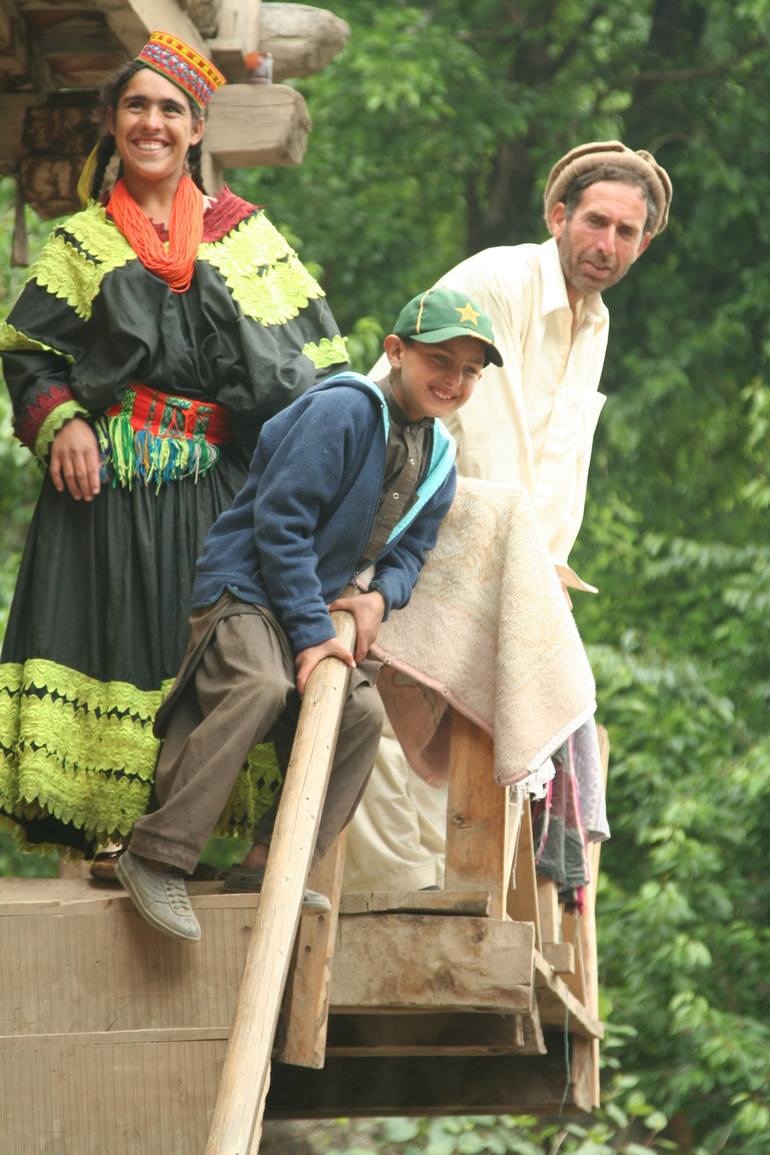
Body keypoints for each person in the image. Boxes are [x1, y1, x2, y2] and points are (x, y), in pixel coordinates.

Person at [0, 31, 347, 864]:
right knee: (116, 641)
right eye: (135, 106)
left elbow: (322, 368)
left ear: (198, 130)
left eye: (170, 110)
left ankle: (193, 842)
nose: (151, 123)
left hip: (221, 492)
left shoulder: (251, 240)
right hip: (105, 490)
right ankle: (110, 842)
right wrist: (63, 422)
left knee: (212, 653)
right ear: (111, 122)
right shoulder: (81, 243)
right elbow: (25, 356)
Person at [114, 287, 504, 941]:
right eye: (440, 359)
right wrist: (313, 631)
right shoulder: (347, 409)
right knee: (259, 683)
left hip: (312, 609)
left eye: (470, 370)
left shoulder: (438, 460)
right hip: (248, 589)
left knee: (360, 714)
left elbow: (410, 553)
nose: (454, 379)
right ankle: (155, 854)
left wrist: (381, 597)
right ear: (396, 350)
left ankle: (273, 862)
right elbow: (281, 522)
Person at [343, 139, 673, 896]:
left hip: (480, 535)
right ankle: (386, 899)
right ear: (558, 215)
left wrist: (545, 571)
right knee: (396, 709)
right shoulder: (499, 278)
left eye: (627, 232)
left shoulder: (597, 321)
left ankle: (444, 893)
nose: (607, 244)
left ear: (643, 242)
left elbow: (561, 458)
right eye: (595, 222)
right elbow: (488, 438)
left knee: (463, 718)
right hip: (393, 509)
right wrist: (528, 566)